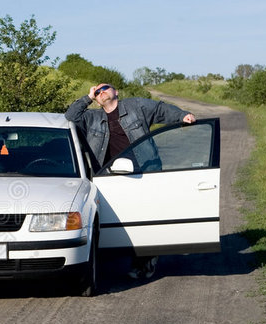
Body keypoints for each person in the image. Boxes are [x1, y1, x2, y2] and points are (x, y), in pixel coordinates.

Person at [65, 83, 196, 279]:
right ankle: (119, 257)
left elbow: (160, 109)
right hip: (111, 177)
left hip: (145, 172)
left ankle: (144, 262)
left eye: (105, 88)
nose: (101, 92)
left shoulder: (136, 106)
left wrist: (181, 115)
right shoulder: (92, 117)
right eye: (97, 91)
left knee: (146, 217)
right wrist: (88, 97)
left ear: (115, 91)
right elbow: (70, 117)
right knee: (116, 220)